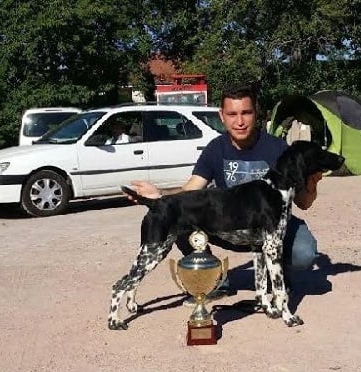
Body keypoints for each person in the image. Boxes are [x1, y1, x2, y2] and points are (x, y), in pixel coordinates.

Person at [125, 84, 325, 301]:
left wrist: (311, 182)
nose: (240, 121)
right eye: (232, 114)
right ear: (222, 116)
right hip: (231, 223)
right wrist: (161, 196)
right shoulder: (215, 148)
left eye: (246, 113)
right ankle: (213, 279)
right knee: (180, 217)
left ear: (256, 114)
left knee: (304, 252)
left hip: (271, 225)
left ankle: (277, 275)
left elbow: (304, 203)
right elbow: (191, 190)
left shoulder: (279, 149)